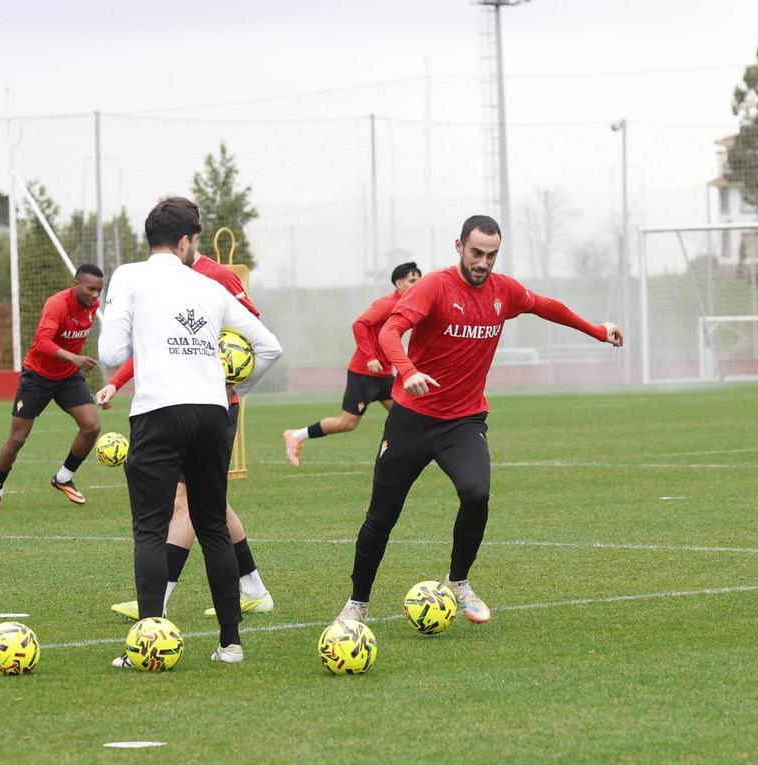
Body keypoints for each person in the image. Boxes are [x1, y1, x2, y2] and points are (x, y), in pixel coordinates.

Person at [334, 215, 623, 624]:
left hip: (464, 421)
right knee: (382, 515)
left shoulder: (504, 290)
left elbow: (545, 306)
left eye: (491, 255)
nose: (483, 262)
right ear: (459, 246)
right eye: (476, 253)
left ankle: (458, 582)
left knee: (476, 494)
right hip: (412, 419)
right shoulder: (434, 286)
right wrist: (408, 370)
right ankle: (357, 604)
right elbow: (390, 330)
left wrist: (596, 330)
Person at [99, 196, 282, 666]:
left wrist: (130, 324)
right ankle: (230, 644)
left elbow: (111, 354)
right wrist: (236, 385)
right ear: (185, 241)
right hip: (211, 414)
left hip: (158, 412)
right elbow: (269, 347)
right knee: (212, 524)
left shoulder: (128, 276)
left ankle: (146, 645)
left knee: (149, 530)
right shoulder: (209, 286)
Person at [0, 264, 105, 510]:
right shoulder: (57, 304)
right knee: (17, 438)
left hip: (68, 377)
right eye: (90, 289)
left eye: (99, 290)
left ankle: (63, 477)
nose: (95, 295)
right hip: (37, 377)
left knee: (92, 426)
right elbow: (41, 343)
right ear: (76, 284)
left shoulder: (92, 306)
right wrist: (74, 358)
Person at [283, 262, 422, 466]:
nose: (417, 285)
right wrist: (370, 357)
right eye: (412, 281)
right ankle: (295, 435)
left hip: (384, 375)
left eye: (419, 280)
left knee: (407, 413)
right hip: (363, 375)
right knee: (347, 423)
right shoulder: (387, 304)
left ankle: (408, 455)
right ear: (398, 283)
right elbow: (359, 324)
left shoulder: (407, 305)